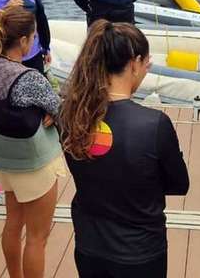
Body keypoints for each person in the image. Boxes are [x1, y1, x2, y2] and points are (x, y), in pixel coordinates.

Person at [59, 20, 189, 278]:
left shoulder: (70, 114)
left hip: (90, 246)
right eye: (145, 63)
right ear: (134, 63)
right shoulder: (153, 124)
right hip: (139, 252)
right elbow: (179, 184)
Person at [0, 5, 65, 278]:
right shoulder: (29, 78)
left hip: (3, 157)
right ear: (24, 40)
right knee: (37, 237)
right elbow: (57, 107)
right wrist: (51, 112)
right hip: (32, 161)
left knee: (13, 223)